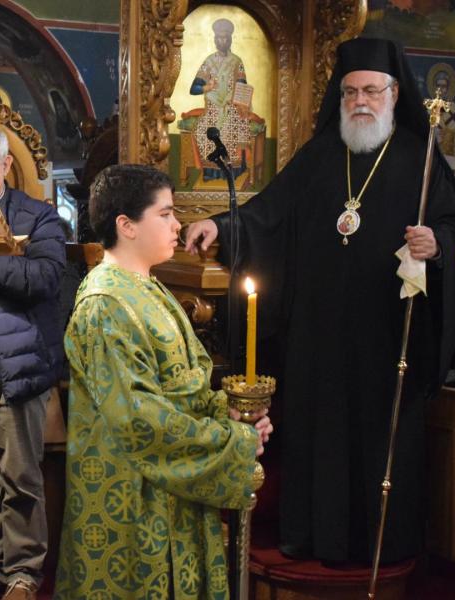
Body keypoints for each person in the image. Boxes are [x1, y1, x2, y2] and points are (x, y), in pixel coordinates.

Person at [185, 37, 455, 564]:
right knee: (321, 432)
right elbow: (268, 213)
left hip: (386, 335)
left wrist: (437, 243)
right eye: (350, 92)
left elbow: (453, 224)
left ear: (393, 93)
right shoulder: (318, 156)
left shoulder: (420, 157)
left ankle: (382, 544)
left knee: (379, 436)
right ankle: (312, 535)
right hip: (318, 334)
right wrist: (220, 226)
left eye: (371, 91)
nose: (360, 101)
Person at [55, 163, 271, 599]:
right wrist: (232, 442)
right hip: (135, 502)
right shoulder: (105, 305)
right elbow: (139, 418)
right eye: (166, 214)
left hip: (171, 489)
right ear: (126, 225)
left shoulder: (148, 288)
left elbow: (184, 385)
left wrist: (228, 412)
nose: (178, 226)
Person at [0, 123, 65, 600]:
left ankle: (23, 572)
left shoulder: (38, 216)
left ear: (4, 165)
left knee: (20, 476)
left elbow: (43, 277)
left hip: (18, 366)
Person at [188, 18, 256, 181]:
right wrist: (208, 87)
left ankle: (233, 171)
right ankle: (211, 173)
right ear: (215, 39)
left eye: (225, 37)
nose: (222, 41)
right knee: (203, 130)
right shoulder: (209, 62)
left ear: (230, 39)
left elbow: (242, 86)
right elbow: (193, 89)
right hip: (212, 108)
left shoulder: (236, 61)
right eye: (219, 37)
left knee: (234, 129)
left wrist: (238, 101)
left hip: (232, 108)